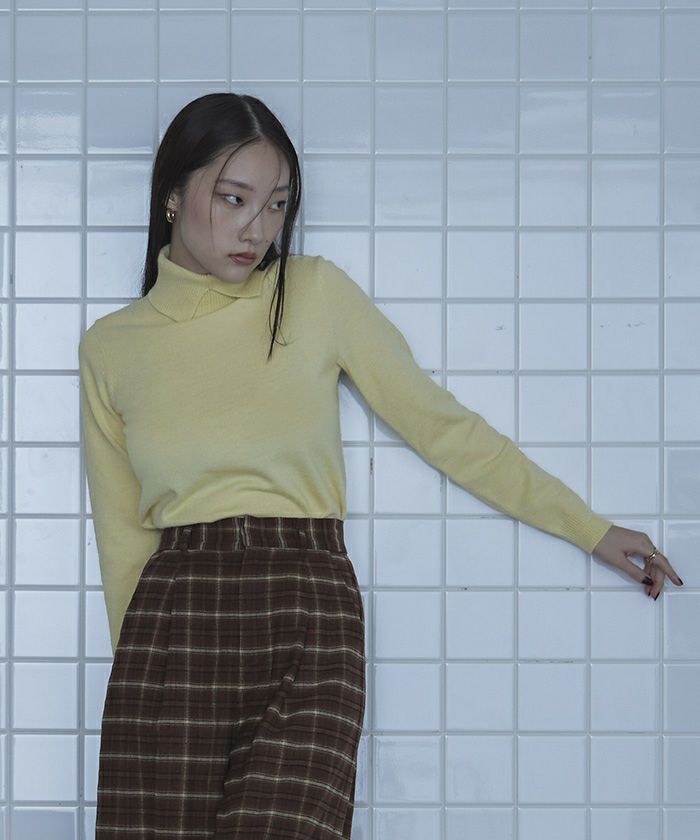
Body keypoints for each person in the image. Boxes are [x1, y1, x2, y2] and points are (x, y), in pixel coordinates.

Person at [79, 92, 683, 839]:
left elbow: (440, 425)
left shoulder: (314, 294)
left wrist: (588, 528)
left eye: (277, 205)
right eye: (234, 199)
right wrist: (143, 680)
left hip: (304, 606)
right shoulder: (112, 346)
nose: (257, 229)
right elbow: (122, 538)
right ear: (172, 194)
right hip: (173, 624)